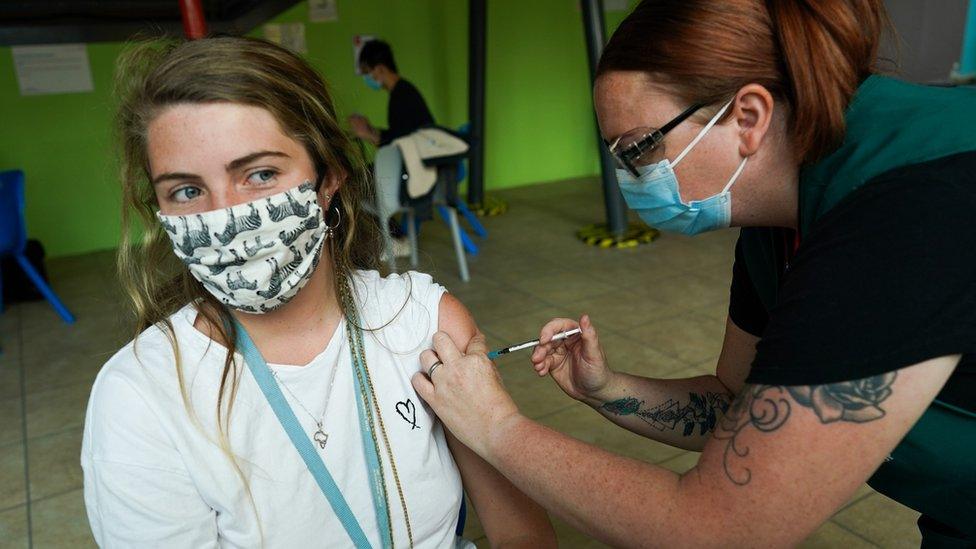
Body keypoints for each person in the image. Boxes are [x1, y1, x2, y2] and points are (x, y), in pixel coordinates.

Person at [411, 0, 976, 546]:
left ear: (747, 118)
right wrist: (608, 391)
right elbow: (740, 405)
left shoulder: (903, 210)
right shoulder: (779, 223)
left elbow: (719, 528)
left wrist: (496, 429)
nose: (628, 180)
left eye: (638, 151)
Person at [80, 36, 555, 548]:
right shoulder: (139, 398)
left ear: (326, 181)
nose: (223, 215)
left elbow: (522, 536)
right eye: (187, 190)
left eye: (259, 174)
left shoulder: (423, 323)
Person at [348, 40, 435, 258]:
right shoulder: (402, 92)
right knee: (359, 179)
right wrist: (370, 131)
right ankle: (396, 235)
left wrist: (368, 134)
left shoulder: (402, 96)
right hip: (410, 164)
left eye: (368, 73)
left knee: (356, 184)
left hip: (415, 169)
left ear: (380, 69)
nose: (369, 79)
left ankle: (397, 238)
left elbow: (399, 146)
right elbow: (398, 135)